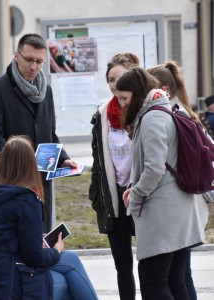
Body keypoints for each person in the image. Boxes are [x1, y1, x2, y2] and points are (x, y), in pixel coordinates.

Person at [0, 135, 98, 300]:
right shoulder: (26, 199)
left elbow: (3, 237)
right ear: (31, 164)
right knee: (67, 281)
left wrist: (37, 240)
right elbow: (34, 257)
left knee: (71, 259)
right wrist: (55, 250)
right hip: (6, 285)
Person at [116, 67, 204, 299]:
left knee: (153, 282)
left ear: (137, 93)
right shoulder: (163, 109)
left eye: (124, 98)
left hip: (164, 214)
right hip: (177, 209)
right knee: (175, 280)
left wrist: (136, 195)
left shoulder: (153, 117)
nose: (122, 104)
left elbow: (154, 168)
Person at [0, 33, 77, 232]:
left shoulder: (46, 90)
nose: (34, 67)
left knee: (41, 236)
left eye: (39, 62)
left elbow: (51, 134)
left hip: (41, 182)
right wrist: (22, 160)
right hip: (12, 181)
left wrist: (63, 159)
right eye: (29, 59)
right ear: (17, 56)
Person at [147, 60, 209, 300]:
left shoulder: (170, 115)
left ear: (162, 88)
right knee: (181, 275)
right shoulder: (182, 111)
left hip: (180, 203)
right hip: (189, 201)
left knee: (178, 277)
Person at [89, 53, 138, 300]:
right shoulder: (102, 114)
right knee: (122, 266)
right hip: (114, 196)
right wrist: (98, 196)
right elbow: (99, 162)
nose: (115, 84)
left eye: (120, 78)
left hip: (142, 194)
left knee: (153, 264)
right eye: (110, 79)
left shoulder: (143, 112)